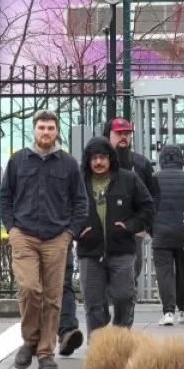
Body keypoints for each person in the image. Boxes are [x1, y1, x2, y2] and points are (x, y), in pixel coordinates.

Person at [0, 109, 89, 369]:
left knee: (52, 297)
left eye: (50, 128)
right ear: (34, 130)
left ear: (56, 131)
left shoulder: (69, 164)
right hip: (24, 235)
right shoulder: (17, 161)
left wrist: (69, 233)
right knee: (28, 288)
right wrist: (12, 229)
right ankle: (30, 340)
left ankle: (46, 352)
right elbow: (5, 199)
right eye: (41, 128)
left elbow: (80, 202)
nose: (46, 132)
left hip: (56, 238)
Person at [76, 136, 155, 336]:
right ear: (87, 160)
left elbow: (147, 207)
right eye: (93, 158)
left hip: (122, 251)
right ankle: (98, 346)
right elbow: (63, 209)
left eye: (102, 157)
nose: (98, 162)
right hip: (89, 252)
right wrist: (76, 230)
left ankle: (121, 339)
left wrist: (131, 226)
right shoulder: (78, 182)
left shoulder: (129, 179)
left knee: (123, 296)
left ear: (111, 158)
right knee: (94, 304)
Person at [106, 117, 158, 280]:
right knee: (101, 281)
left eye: (127, 133)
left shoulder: (141, 163)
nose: (124, 137)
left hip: (131, 231)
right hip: (102, 231)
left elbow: (154, 196)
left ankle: (127, 306)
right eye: (119, 133)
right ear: (108, 134)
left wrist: (142, 225)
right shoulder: (97, 162)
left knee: (129, 279)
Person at [150, 143, 184, 326]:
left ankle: (168, 312)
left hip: (160, 234)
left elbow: (148, 206)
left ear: (162, 159)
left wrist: (152, 229)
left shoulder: (154, 179)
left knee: (164, 273)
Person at [56, 245, 84, 357]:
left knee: (64, 286)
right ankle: (34, 336)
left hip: (61, 236)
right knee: (33, 288)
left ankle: (66, 333)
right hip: (28, 236)